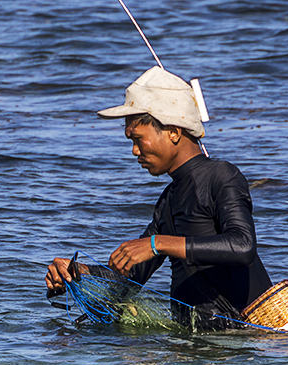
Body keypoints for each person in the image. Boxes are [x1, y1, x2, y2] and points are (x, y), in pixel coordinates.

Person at [45, 65, 272, 331]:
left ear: (174, 131)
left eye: (139, 139)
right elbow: (129, 281)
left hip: (241, 340)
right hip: (196, 345)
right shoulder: (168, 200)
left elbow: (243, 245)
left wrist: (158, 243)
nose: (134, 151)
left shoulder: (221, 175)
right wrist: (76, 273)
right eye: (131, 140)